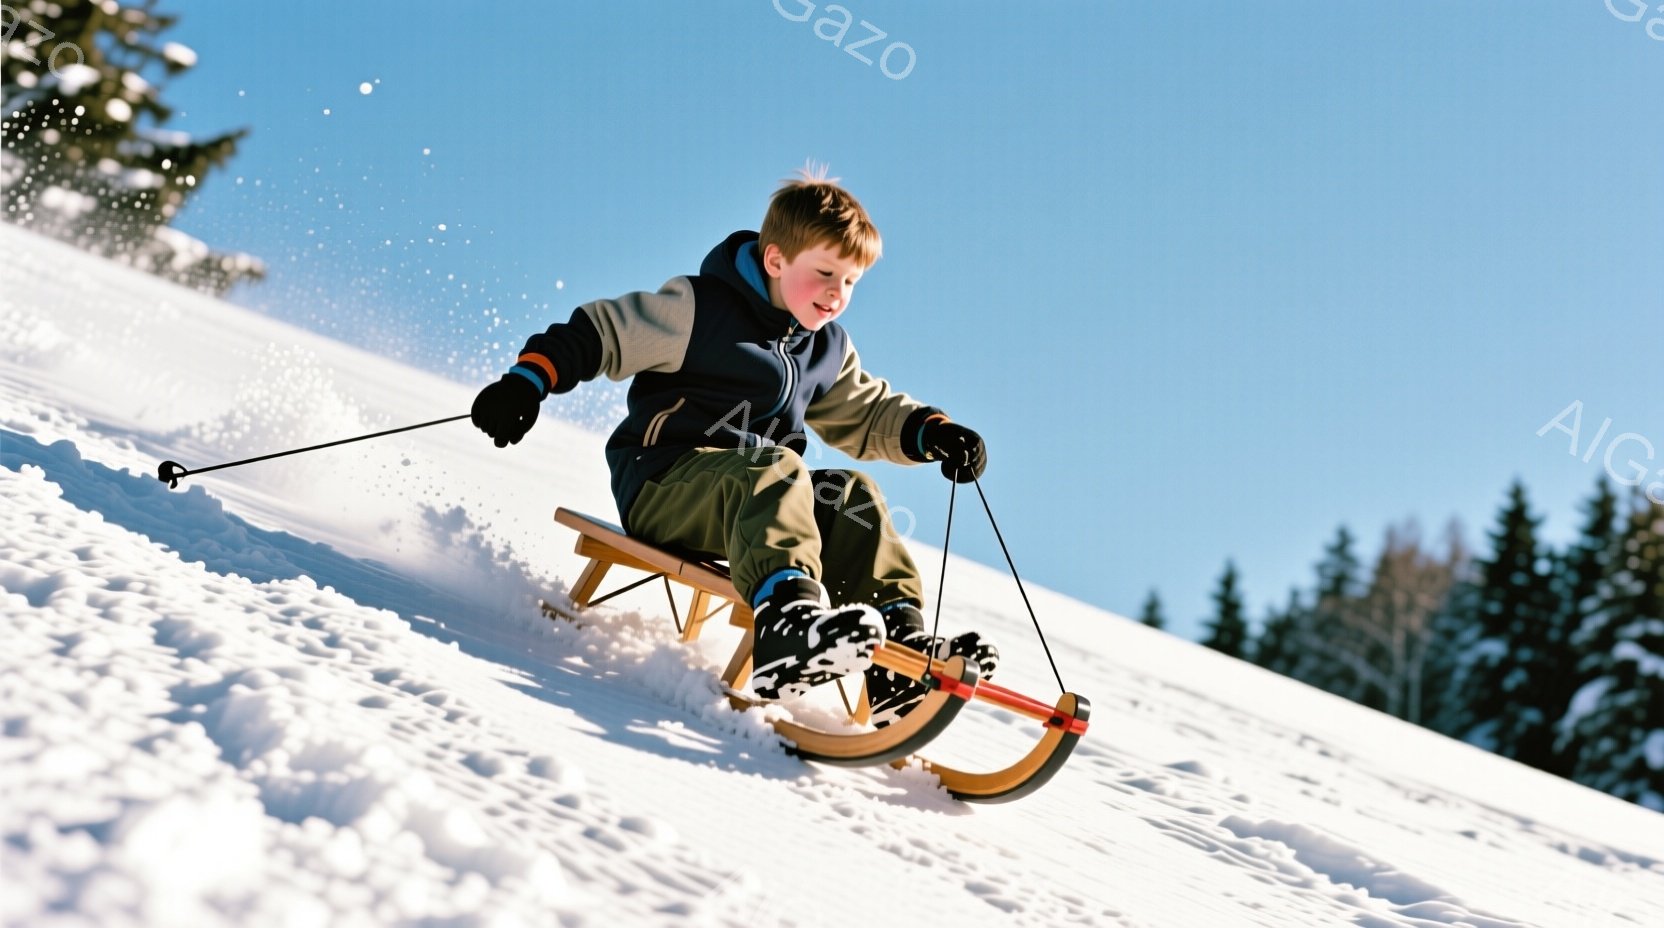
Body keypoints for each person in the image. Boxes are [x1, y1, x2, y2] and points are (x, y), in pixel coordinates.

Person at [470, 168, 997, 725]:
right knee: (775, 469)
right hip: (663, 483)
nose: (836, 295)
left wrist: (931, 431)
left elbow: (865, 412)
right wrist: (527, 381)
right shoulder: (699, 310)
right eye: (824, 274)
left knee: (850, 494)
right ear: (775, 261)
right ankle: (787, 632)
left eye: (850, 282)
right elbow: (603, 331)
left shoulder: (824, 348)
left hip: (754, 503)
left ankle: (899, 657)